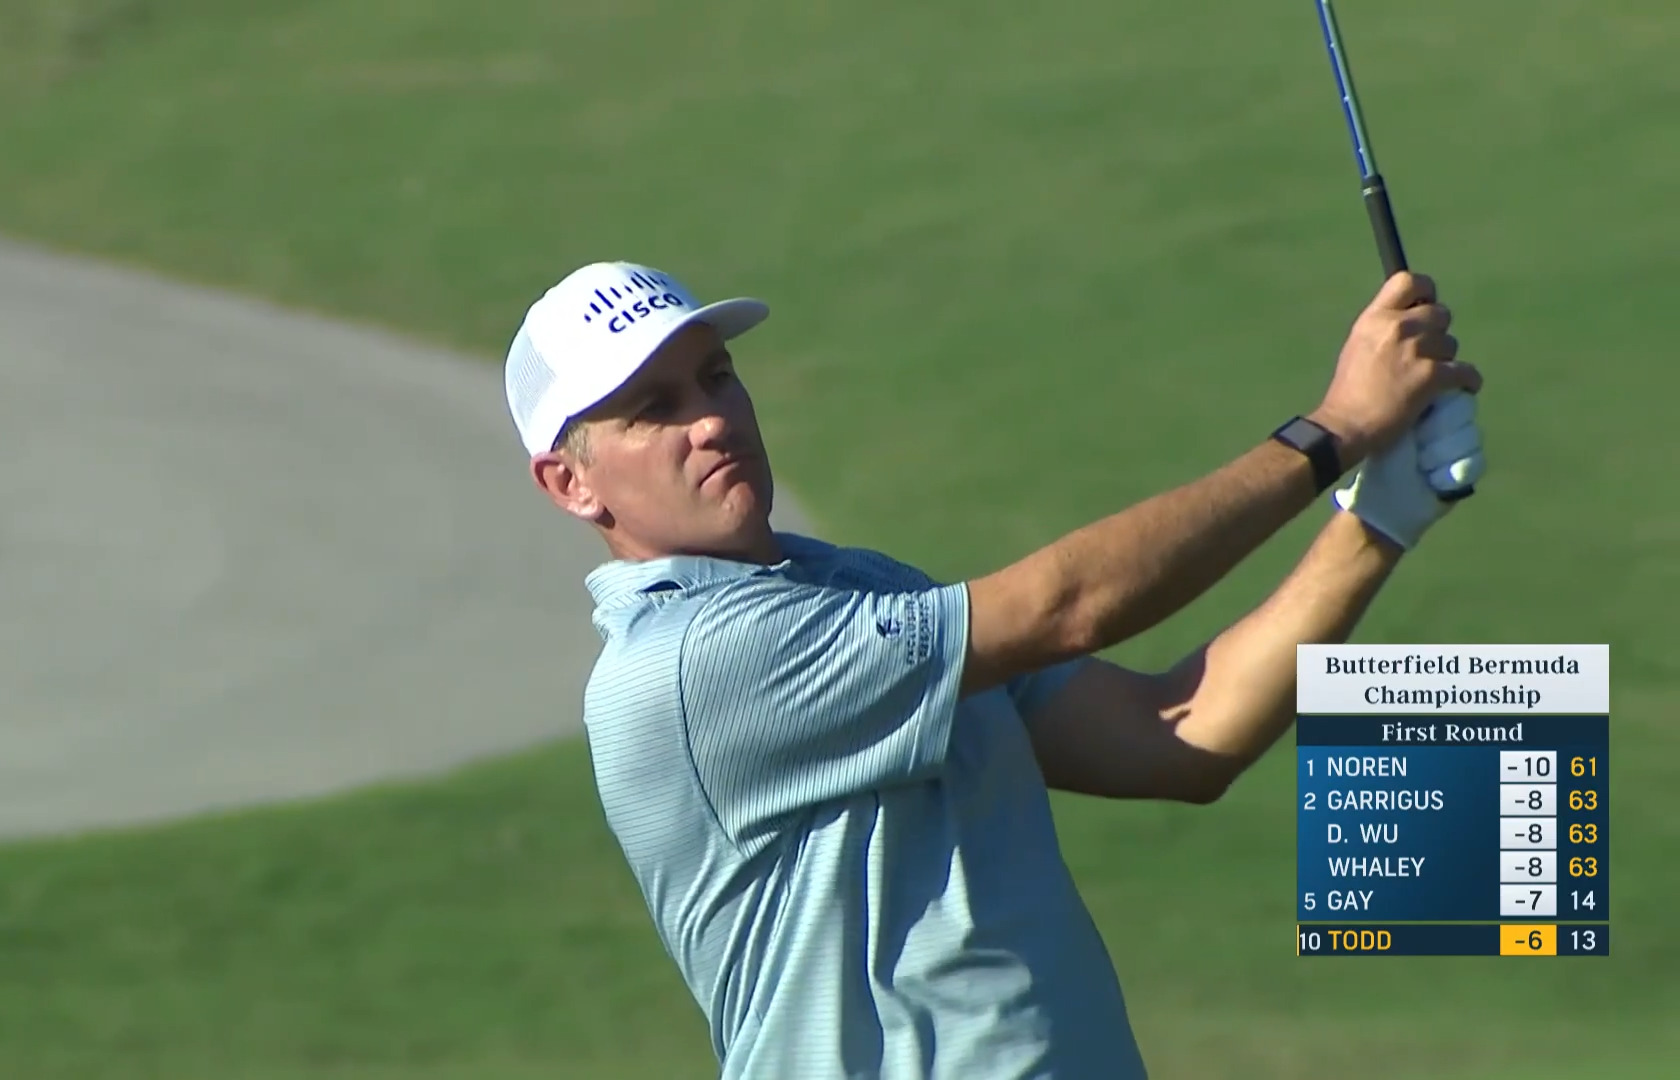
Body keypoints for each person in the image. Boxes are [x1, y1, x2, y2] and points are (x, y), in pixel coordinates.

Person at [501, 260, 1486, 1079]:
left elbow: (1178, 739)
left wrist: (1377, 520)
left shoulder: (854, 591)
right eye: (651, 409)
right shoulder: (689, 664)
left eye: (717, 377)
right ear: (569, 482)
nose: (709, 420)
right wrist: (1331, 432)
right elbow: (1070, 608)